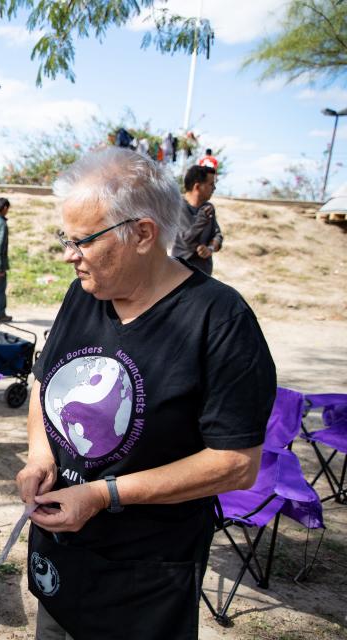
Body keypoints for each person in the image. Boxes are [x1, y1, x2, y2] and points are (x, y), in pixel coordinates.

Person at [16, 147, 275, 640]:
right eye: (64, 239)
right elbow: (44, 380)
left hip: (145, 575)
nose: (68, 256)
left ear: (142, 234)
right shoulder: (84, 293)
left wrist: (102, 494)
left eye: (83, 242)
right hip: (61, 557)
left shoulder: (219, 320)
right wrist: (39, 456)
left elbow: (236, 462)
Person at [172, 165, 223, 276]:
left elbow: (218, 236)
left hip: (204, 273)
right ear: (197, 187)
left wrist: (210, 248)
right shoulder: (178, 206)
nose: (214, 188)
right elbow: (187, 241)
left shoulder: (209, 208)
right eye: (211, 184)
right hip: (181, 273)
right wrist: (202, 219)